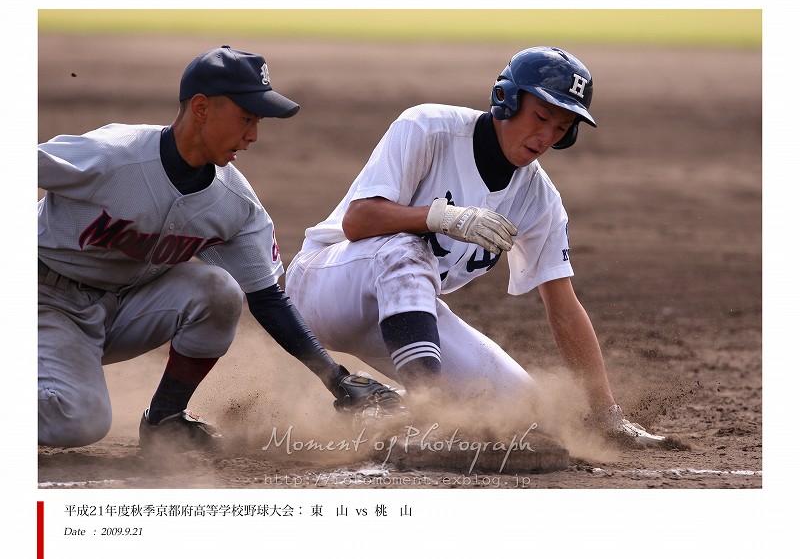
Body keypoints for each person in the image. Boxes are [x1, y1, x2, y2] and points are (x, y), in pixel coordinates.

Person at [284, 46, 664, 445]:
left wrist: (607, 416)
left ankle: (383, 404)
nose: (546, 136)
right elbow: (359, 220)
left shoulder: (539, 200)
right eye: (541, 117)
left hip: (406, 322)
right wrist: (444, 217)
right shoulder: (428, 128)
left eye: (561, 127)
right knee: (405, 250)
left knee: (523, 416)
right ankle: (428, 414)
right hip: (325, 289)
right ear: (507, 99)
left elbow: (564, 308)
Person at [38, 45, 404, 455]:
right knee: (78, 419)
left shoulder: (234, 203)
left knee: (218, 291)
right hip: (43, 301)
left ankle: (166, 421)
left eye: (258, 121)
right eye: (246, 119)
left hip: (119, 309)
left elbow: (267, 299)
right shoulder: (112, 156)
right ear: (201, 108)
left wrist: (336, 379)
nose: (253, 136)